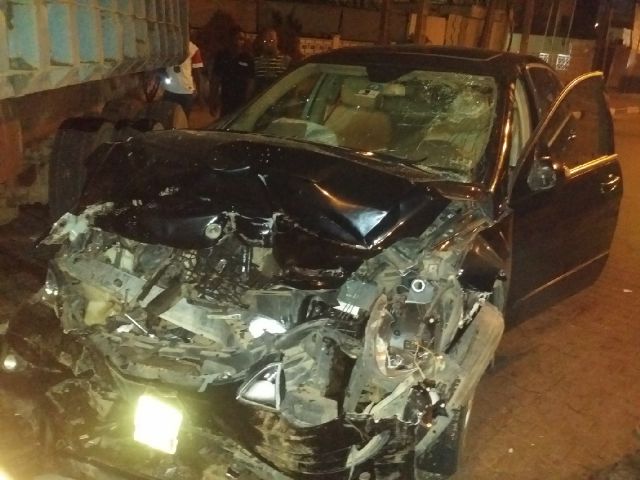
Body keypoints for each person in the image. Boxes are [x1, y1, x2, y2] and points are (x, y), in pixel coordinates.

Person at [210, 27, 255, 118]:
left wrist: (248, 101)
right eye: (237, 38)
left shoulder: (247, 58)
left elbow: (251, 81)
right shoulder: (222, 56)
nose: (239, 42)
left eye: (242, 39)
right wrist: (213, 99)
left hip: (242, 101)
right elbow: (215, 79)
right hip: (226, 99)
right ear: (231, 39)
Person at [163, 40, 204, 117]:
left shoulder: (193, 48)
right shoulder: (167, 45)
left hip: (180, 90)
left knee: (177, 119)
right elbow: (197, 74)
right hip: (178, 90)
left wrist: (200, 95)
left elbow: (197, 73)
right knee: (178, 119)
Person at [254, 28, 291, 93]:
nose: (269, 44)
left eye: (271, 40)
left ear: (277, 41)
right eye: (265, 41)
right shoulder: (257, 62)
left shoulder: (286, 61)